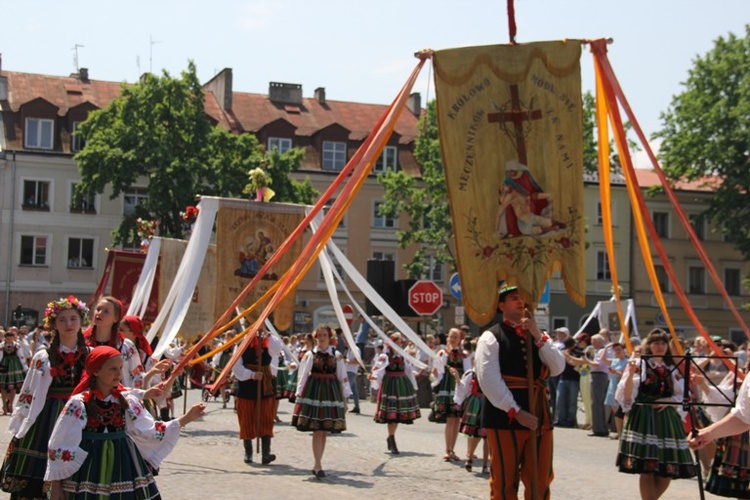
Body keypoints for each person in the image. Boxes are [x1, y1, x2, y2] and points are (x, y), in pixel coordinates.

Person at [44, 346, 205, 498]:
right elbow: (60, 441)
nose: (119, 374)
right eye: (112, 369)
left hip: (123, 464)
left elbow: (149, 429)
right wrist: (56, 483)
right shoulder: (79, 403)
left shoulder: (126, 400)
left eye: (120, 368)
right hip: (89, 467)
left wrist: (186, 418)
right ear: (96, 371)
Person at [475, 285, 565, 500]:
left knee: (540, 478)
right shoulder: (491, 337)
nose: (520, 302)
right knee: (505, 481)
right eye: (514, 298)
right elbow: (488, 380)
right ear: (501, 305)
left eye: (522, 298)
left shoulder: (538, 336)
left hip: (540, 415)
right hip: (504, 416)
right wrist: (516, 411)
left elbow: (558, 367)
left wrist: (536, 334)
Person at [1, 296, 89, 499]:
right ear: (54, 325)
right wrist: (21, 422)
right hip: (46, 417)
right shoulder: (43, 356)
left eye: (73, 319)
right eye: (62, 319)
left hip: (79, 416)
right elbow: (29, 391)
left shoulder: (89, 354)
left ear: (81, 321)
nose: (68, 324)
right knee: (38, 471)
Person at [616, 329, 698, 499]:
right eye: (655, 343)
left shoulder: (672, 367)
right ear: (649, 346)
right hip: (644, 417)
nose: (659, 346)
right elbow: (626, 396)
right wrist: (630, 374)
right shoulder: (640, 364)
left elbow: (681, 394)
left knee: (667, 469)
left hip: (667, 419)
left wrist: (668, 401)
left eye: (662, 343)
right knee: (646, 469)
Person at [292, 325, 350, 478]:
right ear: (316, 337)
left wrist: (345, 397)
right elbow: (303, 375)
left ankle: (318, 462)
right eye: (320, 335)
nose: (322, 337)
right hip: (314, 392)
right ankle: (317, 464)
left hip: (331, 393)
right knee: (317, 429)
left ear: (329, 337)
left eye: (325, 335)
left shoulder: (336, 355)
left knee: (324, 430)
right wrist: (299, 393)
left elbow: (342, 376)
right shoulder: (310, 355)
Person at [231, 326, 283, 465]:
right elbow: (236, 368)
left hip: (265, 385)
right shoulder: (241, 345)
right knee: (246, 418)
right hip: (247, 385)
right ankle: (248, 452)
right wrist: (252, 375)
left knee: (266, 418)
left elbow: (278, 348)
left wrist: (267, 332)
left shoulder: (268, 343)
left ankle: (266, 453)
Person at [370, 332, 421, 455]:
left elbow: (408, 370)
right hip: (390, 386)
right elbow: (378, 369)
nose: (398, 344)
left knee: (397, 414)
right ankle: (392, 439)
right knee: (392, 414)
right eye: (396, 342)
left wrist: (413, 383)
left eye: (400, 342)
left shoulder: (403, 356)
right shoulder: (385, 356)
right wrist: (373, 377)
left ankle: (391, 436)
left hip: (402, 386)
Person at [84, 296, 144, 390]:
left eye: (106, 311)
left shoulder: (126, 346)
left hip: (117, 398)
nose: (99, 313)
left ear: (116, 318)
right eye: (98, 309)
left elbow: (137, 376)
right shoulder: (82, 343)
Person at [430, 327, 471, 461]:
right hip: (447, 387)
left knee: (456, 419)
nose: (453, 339)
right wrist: (434, 376)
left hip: (459, 387)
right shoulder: (443, 353)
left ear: (460, 339)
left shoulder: (464, 354)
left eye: (455, 337)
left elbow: (467, 372)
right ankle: (448, 449)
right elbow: (438, 373)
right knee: (450, 420)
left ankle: (452, 449)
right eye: (451, 336)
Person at [454, 343, 489, 474]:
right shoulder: (471, 373)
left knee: (487, 435)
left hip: (487, 402)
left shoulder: (492, 371)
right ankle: (470, 457)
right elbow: (463, 388)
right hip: (476, 403)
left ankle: (485, 464)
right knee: (475, 433)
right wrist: (457, 377)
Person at [588, 333, 611, 437]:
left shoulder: (601, 351)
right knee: (598, 403)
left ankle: (598, 429)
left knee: (596, 403)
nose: (592, 343)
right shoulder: (598, 351)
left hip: (599, 376)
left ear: (599, 342)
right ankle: (600, 427)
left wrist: (586, 360)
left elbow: (597, 365)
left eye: (594, 341)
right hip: (599, 376)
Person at [0, 330, 28, 415]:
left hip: (15, 367)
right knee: (3, 386)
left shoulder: (17, 345)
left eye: (11, 338)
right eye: (8, 338)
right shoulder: (1, 346)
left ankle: (11, 404)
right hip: (4, 366)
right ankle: (4, 405)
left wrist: (25, 368)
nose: (9, 340)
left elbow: (21, 357)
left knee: (14, 387)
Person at [344, 342, 362, 414]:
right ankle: (357, 406)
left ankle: (344, 404)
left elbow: (357, 361)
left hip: (351, 371)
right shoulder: (350, 350)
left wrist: (347, 361)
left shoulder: (355, 349)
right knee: (354, 390)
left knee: (347, 388)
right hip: (349, 370)